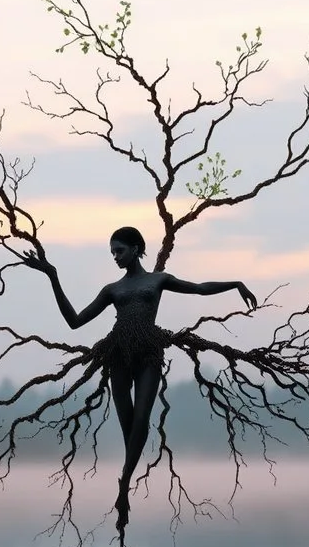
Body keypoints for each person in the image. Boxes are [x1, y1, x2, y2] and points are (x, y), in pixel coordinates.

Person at [22, 227, 257, 530]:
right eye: (112, 253)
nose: (115, 257)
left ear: (136, 249)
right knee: (129, 427)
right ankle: (125, 486)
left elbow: (198, 288)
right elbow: (75, 321)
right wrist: (52, 276)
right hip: (118, 354)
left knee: (143, 420)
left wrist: (235, 283)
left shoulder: (157, 280)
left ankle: (124, 484)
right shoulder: (111, 289)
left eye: (119, 251)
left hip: (148, 352)